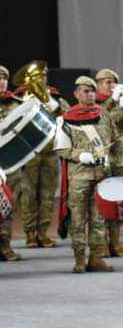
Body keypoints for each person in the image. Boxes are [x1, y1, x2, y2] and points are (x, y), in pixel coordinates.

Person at [54, 76, 123, 273]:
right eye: (84, 91)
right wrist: (79, 155)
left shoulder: (104, 115)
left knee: (99, 219)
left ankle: (96, 258)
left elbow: (115, 141)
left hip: (102, 175)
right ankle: (80, 259)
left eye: (91, 91)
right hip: (79, 177)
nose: (89, 94)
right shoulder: (65, 119)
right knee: (78, 219)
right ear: (76, 94)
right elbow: (61, 149)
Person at [15, 67, 67, 248]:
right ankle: (30, 234)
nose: (42, 78)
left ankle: (43, 233)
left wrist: (52, 103)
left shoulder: (54, 96)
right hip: (28, 153)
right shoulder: (20, 97)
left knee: (47, 195)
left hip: (50, 152)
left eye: (44, 75)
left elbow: (67, 116)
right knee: (28, 195)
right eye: (37, 76)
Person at [94, 68, 123, 258]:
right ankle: (101, 243)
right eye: (107, 82)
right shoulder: (94, 103)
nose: (111, 85)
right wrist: (113, 101)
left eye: (113, 82)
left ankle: (115, 242)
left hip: (121, 155)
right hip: (102, 155)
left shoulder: (122, 102)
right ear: (98, 85)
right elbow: (102, 119)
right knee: (102, 201)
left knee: (119, 200)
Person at [0, 66, 24, 261]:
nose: (2, 82)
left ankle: (5, 246)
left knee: (7, 204)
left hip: (11, 162)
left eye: (4, 78)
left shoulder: (17, 104)